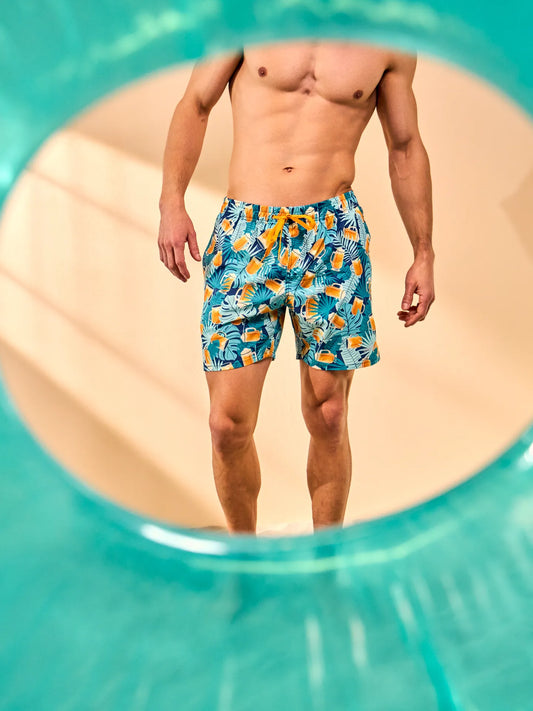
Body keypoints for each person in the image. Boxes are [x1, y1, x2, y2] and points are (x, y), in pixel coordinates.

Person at [158, 40, 435, 535]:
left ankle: (324, 560)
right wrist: (171, 203)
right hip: (247, 232)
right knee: (227, 425)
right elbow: (195, 103)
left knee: (329, 415)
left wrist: (424, 251)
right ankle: (245, 557)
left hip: (333, 236)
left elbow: (405, 146)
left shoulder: (386, 41)